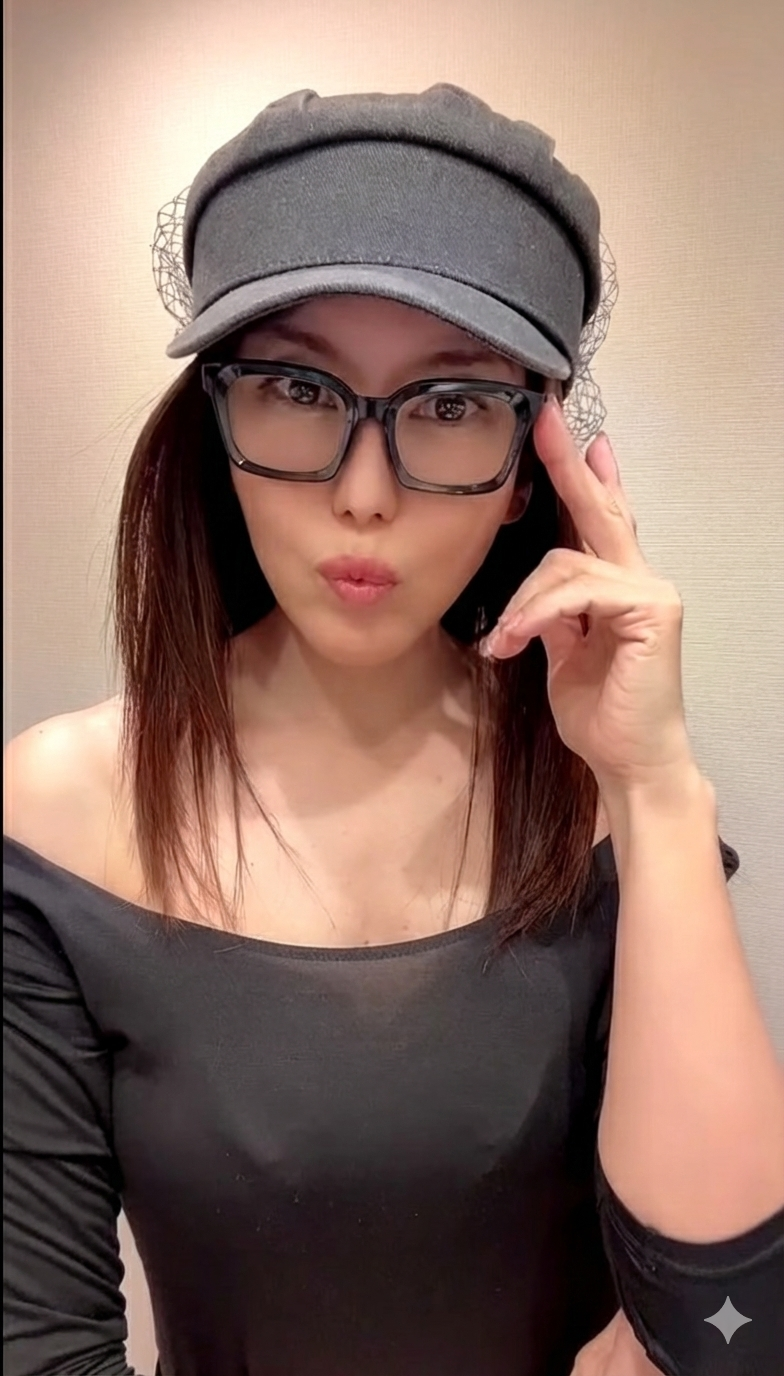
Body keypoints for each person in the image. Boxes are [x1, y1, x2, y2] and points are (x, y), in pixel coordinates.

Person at [3, 84, 783, 1376]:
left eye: (450, 404)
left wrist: (655, 785)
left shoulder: (598, 795)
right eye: (297, 387)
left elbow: (725, 1332)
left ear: (529, 468)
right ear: (217, 423)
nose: (364, 494)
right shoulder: (65, 809)